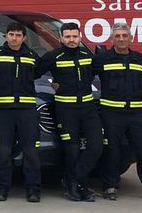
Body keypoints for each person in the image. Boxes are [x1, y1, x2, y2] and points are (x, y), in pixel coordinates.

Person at [95, 23, 142, 202]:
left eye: (125, 36)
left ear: (131, 38)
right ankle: (110, 186)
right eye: (118, 36)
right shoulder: (101, 59)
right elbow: (83, 79)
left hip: (135, 113)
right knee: (112, 150)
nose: (121, 39)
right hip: (111, 113)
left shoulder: (140, 60)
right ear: (111, 39)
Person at [36, 22, 100, 201]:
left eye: (75, 36)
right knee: (71, 150)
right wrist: (52, 84)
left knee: (96, 146)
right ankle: (78, 187)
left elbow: (95, 73)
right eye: (68, 37)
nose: (72, 40)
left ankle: (73, 179)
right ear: (61, 38)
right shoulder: (53, 56)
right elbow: (34, 72)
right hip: (65, 109)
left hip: (88, 108)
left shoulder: (88, 54)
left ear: (80, 37)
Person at [0, 23, 42, 201]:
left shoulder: (32, 56)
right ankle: (2, 189)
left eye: (18, 35)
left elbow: (40, 73)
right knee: (3, 151)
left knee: (31, 152)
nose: (14, 38)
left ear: (24, 38)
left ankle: (33, 190)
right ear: (5, 36)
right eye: (11, 34)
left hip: (27, 111)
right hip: (3, 111)